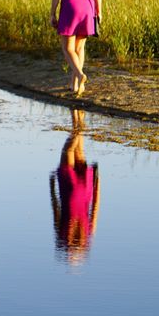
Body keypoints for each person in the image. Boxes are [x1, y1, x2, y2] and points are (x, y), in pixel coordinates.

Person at [49, 109, 101, 265]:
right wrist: (51, 187)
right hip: (70, 184)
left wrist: (97, 182)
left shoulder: (87, 233)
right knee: (71, 147)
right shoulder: (64, 235)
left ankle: (79, 114)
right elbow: (55, 208)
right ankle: (75, 112)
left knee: (77, 146)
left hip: (84, 187)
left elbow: (96, 206)